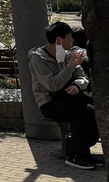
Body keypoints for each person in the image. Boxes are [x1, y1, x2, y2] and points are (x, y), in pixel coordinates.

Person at [29, 21, 102, 169]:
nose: (73, 40)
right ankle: (74, 155)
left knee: (96, 108)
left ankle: (82, 151)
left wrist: (77, 85)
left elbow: (83, 77)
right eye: (70, 37)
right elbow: (52, 85)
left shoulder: (69, 54)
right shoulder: (38, 59)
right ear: (59, 40)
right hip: (50, 102)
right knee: (85, 113)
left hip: (70, 97)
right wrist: (70, 67)